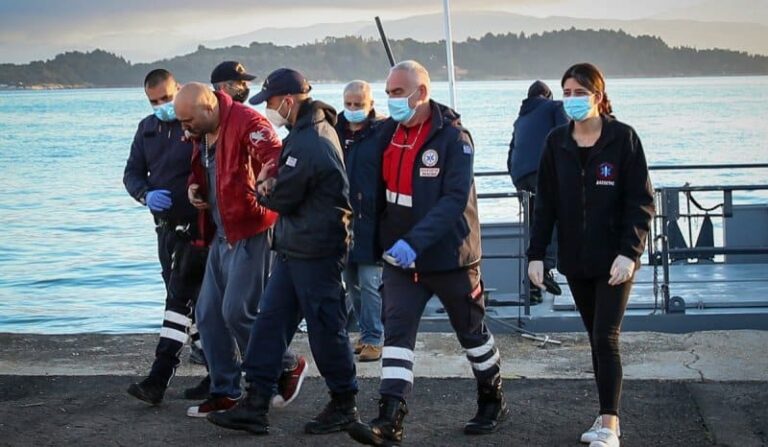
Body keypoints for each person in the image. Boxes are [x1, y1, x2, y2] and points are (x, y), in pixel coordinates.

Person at [347, 60, 508, 446]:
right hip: (401, 263)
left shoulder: (454, 139)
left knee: (471, 333)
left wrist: (413, 242)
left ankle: (492, 397)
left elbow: (453, 200)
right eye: (387, 93)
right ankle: (390, 417)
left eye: (397, 92)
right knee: (397, 334)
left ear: (421, 93)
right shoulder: (386, 133)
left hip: (450, 259)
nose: (390, 100)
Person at [207, 68, 358, 435]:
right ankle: (256, 400)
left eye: (272, 102)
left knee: (326, 330)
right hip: (294, 248)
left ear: (289, 101)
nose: (269, 110)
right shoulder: (305, 133)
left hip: (316, 251)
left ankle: (344, 403)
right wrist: (274, 186)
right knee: (269, 324)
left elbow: (285, 197)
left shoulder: (311, 141)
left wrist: (263, 190)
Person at [527, 63, 655, 447]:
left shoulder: (623, 139)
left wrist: (629, 253)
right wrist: (537, 256)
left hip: (615, 260)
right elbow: (545, 204)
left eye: (579, 93)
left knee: (606, 337)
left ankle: (611, 425)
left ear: (598, 96)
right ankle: (603, 415)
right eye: (566, 93)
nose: (572, 100)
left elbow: (641, 202)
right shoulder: (556, 142)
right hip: (577, 260)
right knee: (593, 336)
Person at [175, 82, 306, 418]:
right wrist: (194, 186)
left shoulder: (248, 122)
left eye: (188, 120)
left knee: (237, 311)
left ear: (208, 109)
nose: (183, 128)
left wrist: (267, 178)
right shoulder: (201, 130)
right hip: (221, 231)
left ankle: (287, 364)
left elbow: (274, 155)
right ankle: (225, 391)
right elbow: (199, 165)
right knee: (206, 314)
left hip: (253, 230)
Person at [124, 69, 209, 405]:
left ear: (179, 90)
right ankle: (216, 371)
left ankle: (160, 377)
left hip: (197, 227)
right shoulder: (147, 130)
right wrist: (145, 194)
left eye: (165, 98)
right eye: (154, 101)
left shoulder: (195, 126)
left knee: (180, 300)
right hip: (165, 228)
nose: (161, 106)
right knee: (187, 303)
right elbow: (132, 173)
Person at [334, 80, 386, 362]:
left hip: (371, 219)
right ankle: (365, 333)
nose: (353, 110)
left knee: (370, 281)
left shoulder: (381, 132)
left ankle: (373, 337)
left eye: (359, 105)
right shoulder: (335, 131)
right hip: (342, 220)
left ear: (371, 104)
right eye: (349, 104)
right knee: (350, 280)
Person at [507, 80, 568, 303]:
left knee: (535, 226)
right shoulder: (555, 107)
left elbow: (511, 151)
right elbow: (567, 136)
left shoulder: (520, 119)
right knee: (552, 220)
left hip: (521, 177)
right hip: (543, 172)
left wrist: (516, 181)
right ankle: (547, 270)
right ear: (547, 95)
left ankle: (532, 284)